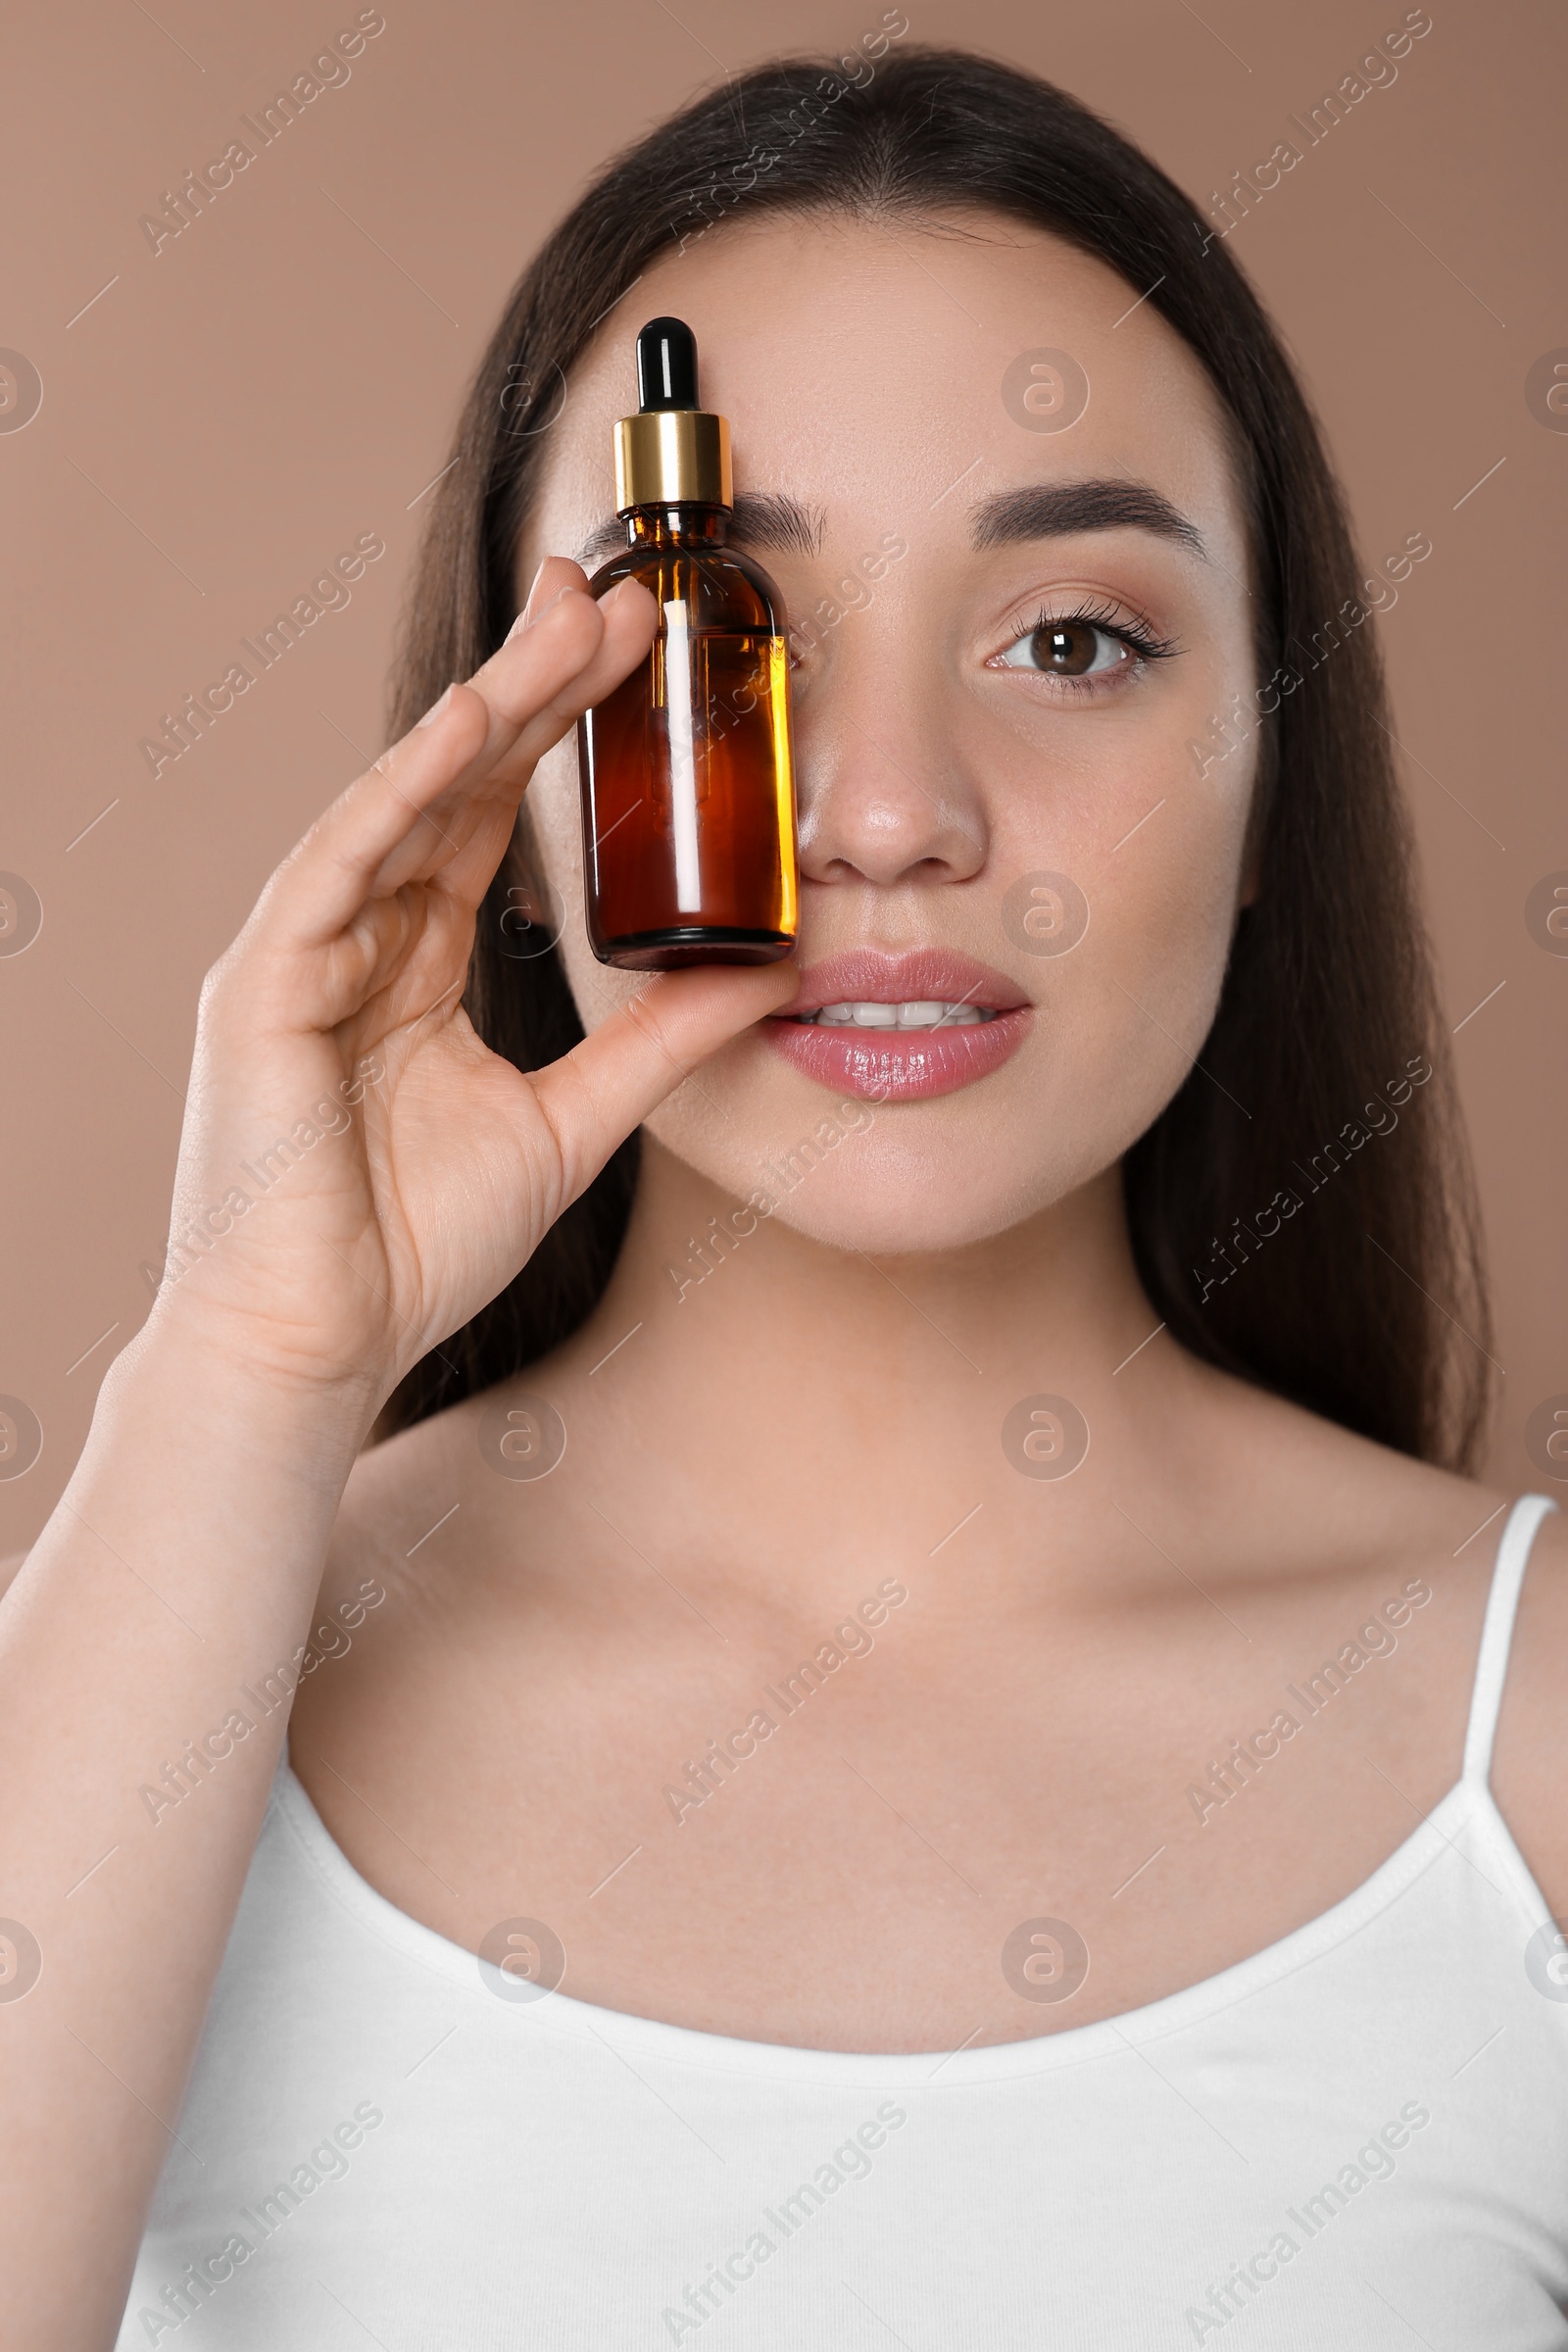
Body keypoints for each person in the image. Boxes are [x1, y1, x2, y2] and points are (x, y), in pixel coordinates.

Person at [5, 45, 1565, 2351]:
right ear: (520, 780)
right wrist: (241, 1372)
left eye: (1071, 643)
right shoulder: (156, 1673)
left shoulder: (1519, 1748)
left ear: (1270, 775)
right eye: (717, 643)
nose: (892, 814)